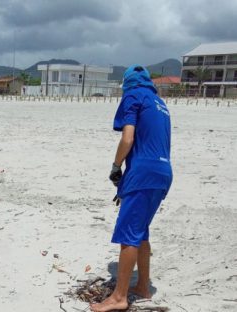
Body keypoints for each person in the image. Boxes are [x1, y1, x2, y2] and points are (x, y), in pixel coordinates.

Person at [91, 65, 173, 311]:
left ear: (128, 83)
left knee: (128, 235)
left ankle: (119, 298)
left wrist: (116, 167)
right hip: (163, 172)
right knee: (141, 230)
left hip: (143, 173)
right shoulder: (160, 103)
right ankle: (144, 287)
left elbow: (128, 138)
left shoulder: (133, 95)